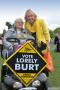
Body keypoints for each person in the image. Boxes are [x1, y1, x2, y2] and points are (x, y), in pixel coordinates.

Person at [2, 18, 35, 90]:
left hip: (23, 50)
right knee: (11, 57)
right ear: (15, 23)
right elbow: (4, 40)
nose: (20, 23)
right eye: (18, 22)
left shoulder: (25, 31)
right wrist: (11, 46)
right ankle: (9, 73)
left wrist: (30, 43)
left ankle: (28, 74)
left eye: (21, 22)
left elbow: (30, 39)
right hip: (11, 49)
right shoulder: (10, 31)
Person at [24, 9, 54, 75]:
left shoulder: (41, 21)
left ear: (35, 16)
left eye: (31, 16)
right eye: (28, 16)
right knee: (34, 60)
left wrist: (48, 44)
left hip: (42, 44)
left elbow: (46, 33)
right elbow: (26, 35)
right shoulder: (25, 24)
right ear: (26, 18)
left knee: (43, 61)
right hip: (32, 44)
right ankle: (35, 75)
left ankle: (44, 77)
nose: (30, 17)